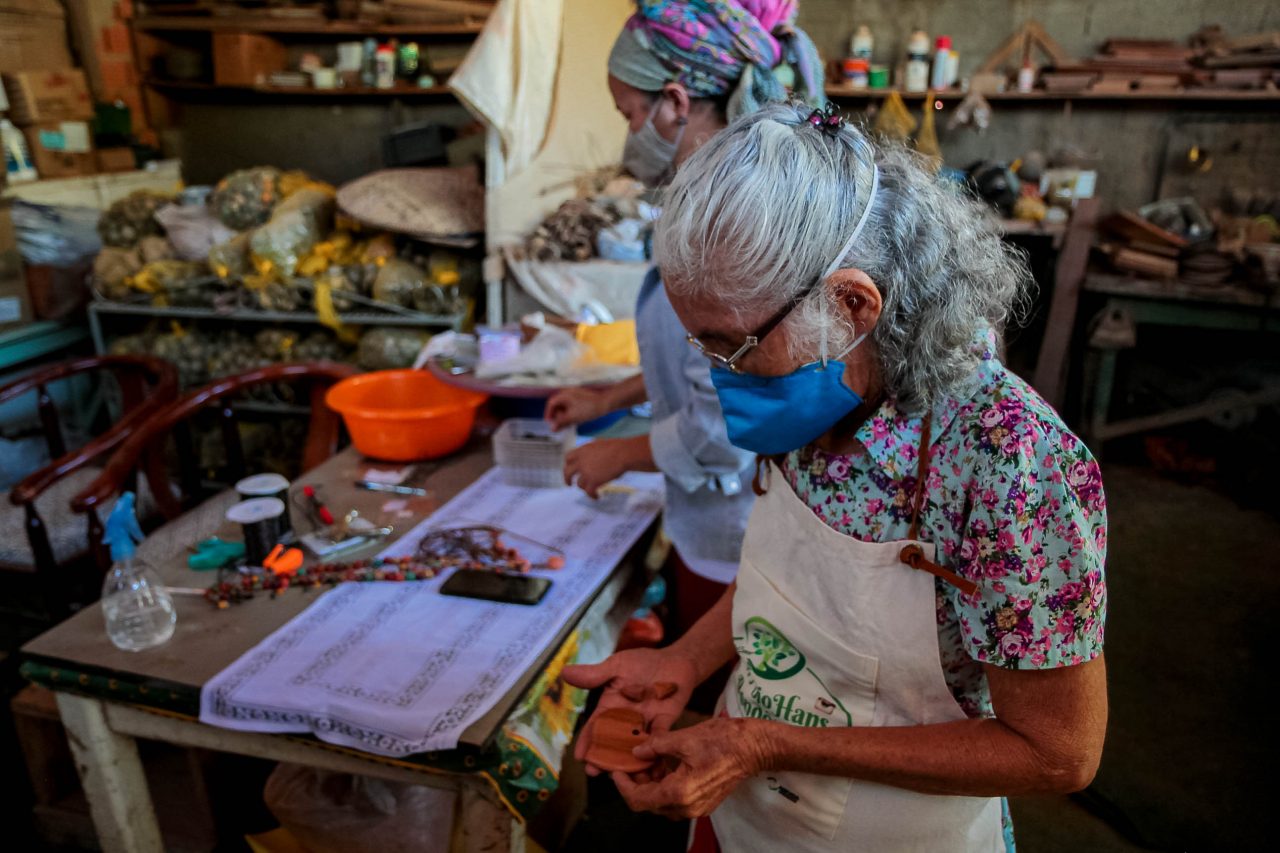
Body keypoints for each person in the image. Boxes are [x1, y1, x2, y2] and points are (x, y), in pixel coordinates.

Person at [565, 102, 1109, 852]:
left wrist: (767, 744)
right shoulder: (815, 396)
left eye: (732, 348)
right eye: (702, 347)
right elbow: (790, 582)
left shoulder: (1006, 461)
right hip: (744, 817)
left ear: (852, 305)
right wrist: (681, 661)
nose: (718, 377)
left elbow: (1058, 751)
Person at [546, 0, 825, 633]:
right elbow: (705, 354)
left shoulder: (722, 228)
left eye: (630, 113)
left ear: (674, 103)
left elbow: (724, 428)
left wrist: (617, 456)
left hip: (743, 533)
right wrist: (607, 399)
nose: (629, 133)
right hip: (728, 520)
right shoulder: (713, 197)